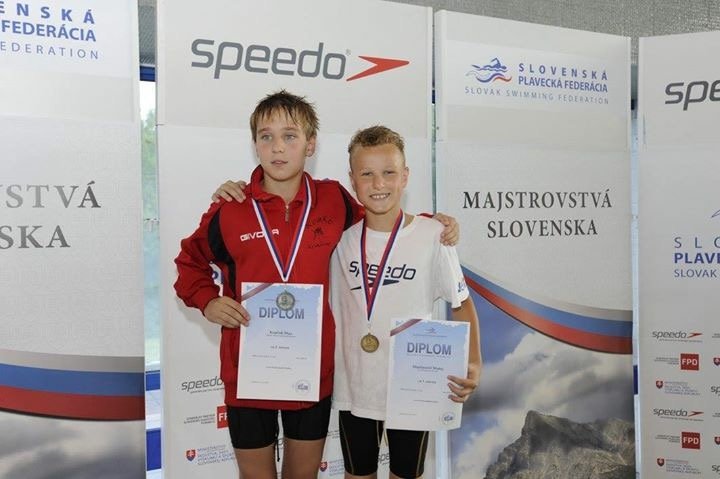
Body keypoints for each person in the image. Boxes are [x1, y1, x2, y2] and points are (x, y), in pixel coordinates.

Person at [174, 90, 458, 479]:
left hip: (311, 373)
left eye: (290, 136)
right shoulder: (230, 209)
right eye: (266, 136)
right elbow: (189, 262)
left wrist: (431, 226)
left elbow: (380, 221)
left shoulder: (332, 200)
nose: (277, 147)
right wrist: (207, 300)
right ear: (255, 144)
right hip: (248, 372)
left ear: (310, 145)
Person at [330, 126, 482, 479]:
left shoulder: (433, 236)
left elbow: (461, 302)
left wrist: (474, 363)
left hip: (414, 386)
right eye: (366, 174)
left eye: (389, 172)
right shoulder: (341, 240)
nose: (378, 184)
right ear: (352, 180)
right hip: (355, 388)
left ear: (405, 176)